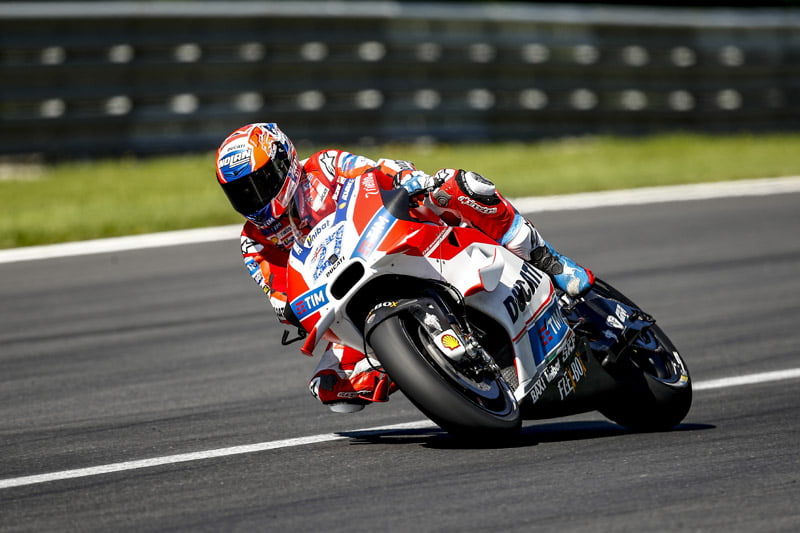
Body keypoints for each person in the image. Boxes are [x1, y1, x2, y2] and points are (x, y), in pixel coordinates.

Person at [215, 123, 594, 413]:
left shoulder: (324, 165)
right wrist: (289, 312)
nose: (255, 198)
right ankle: (419, 366)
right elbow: (280, 297)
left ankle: (547, 259)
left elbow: (376, 170)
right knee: (331, 390)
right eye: (242, 193)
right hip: (348, 294)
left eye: (260, 183)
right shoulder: (255, 242)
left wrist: (406, 178)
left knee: (459, 185)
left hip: (397, 234)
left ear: (285, 163)